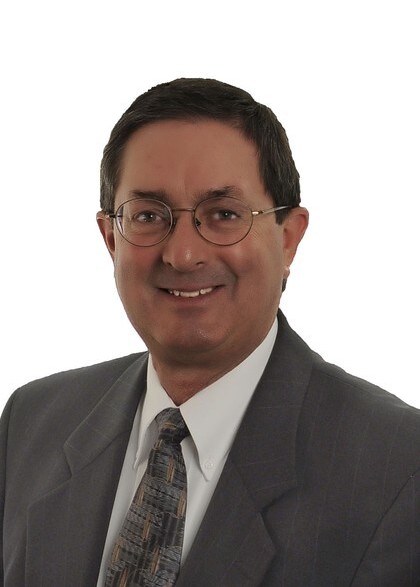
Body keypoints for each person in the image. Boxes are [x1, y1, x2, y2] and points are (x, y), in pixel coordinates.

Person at [1, 78, 420, 587]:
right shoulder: (31, 422)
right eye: (148, 215)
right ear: (111, 239)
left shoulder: (397, 468)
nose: (183, 255)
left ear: (289, 239)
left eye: (223, 215)